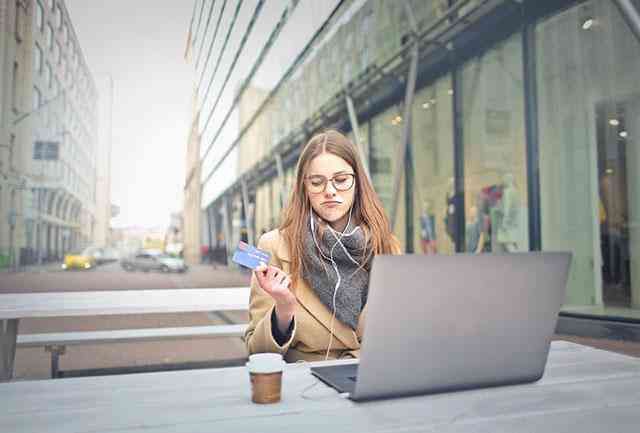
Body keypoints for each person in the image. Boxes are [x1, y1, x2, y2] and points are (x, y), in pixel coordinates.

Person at [244, 130, 400, 362]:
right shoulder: (271, 245)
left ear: (358, 183)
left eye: (341, 180)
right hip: (306, 385)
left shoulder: (386, 244)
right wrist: (284, 311)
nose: (329, 191)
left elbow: (397, 330)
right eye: (317, 182)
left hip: (371, 375)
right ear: (304, 188)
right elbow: (255, 350)